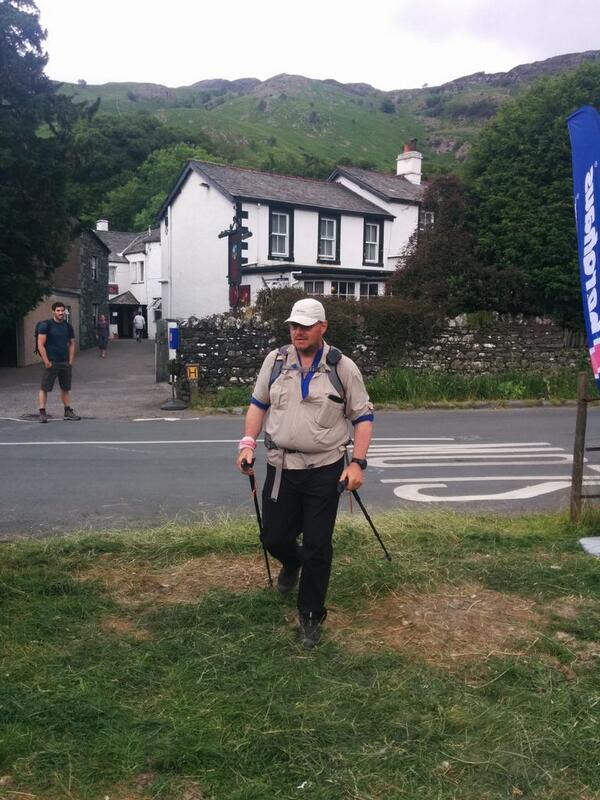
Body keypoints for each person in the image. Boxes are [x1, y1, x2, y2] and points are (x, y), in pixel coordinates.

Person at [236, 298, 373, 649]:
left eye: (305, 326)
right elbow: (258, 405)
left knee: (317, 545)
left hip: (324, 469)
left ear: (322, 328)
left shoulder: (343, 368)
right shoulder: (276, 361)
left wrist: (357, 463)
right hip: (282, 466)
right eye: (293, 325)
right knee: (274, 538)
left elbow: (363, 418)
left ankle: (310, 616)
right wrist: (247, 443)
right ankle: (291, 565)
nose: (297, 331)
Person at [37, 301, 81, 423]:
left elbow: (72, 343)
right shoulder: (46, 325)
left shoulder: (67, 326)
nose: (61, 313)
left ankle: (67, 411)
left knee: (66, 388)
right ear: (53, 311)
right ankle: (42, 412)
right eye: (58, 310)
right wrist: (46, 361)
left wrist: (71, 360)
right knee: (44, 388)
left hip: (65, 362)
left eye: (62, 310)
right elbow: (40, 344)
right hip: (51, 362)